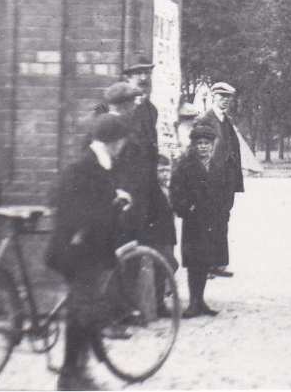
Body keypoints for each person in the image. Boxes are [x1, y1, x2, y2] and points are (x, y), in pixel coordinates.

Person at [46, 113, 134, 391]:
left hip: (82, 249)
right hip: (79, 251)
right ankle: (71, 377)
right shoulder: (88, 166)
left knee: (82, 308)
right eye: (120, 141)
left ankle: (77, 370)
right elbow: (86, 212)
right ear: (114, 142)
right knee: (82, 311)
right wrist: (116, 204)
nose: (122, 146)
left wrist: (112, 199)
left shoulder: (94, 163)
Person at [103, 80, 177, 312]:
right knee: (121, 259)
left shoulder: (130, 128)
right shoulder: (111, 129)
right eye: (131, 103)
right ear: (123, 105)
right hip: (124, 204)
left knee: (151, 251)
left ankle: (144, 304)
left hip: (142, 202)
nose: (135, 107)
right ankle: (116, 313)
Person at [170, 124, 224, 317]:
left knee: (206, 261)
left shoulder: (217, 167)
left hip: (211, 222)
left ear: (212, 145)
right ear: (193, 145)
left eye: (207, 143)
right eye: (199, 143)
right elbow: (175, 193)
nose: (203, 147)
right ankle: (193, 302)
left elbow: (223, 192)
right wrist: (187, 208)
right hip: (194, 223)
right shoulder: (185, 167)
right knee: (194, 262)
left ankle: (200, 300)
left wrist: (220, 213)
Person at [194, 82, 244, 279]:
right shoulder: (206, 119)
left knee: (222, 220)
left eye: (228, 97)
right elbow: (200, 150)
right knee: (208, 221)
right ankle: (205, 265)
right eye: (221, 96)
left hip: (226, 182)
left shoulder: (226, 121)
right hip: (211, 180)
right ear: (213, 97)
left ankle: (218, 263)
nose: (225, 100)